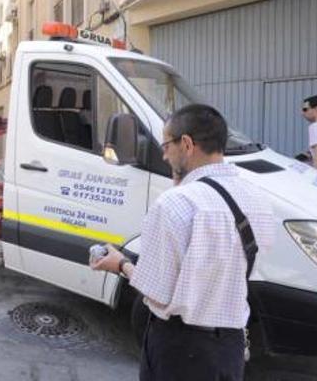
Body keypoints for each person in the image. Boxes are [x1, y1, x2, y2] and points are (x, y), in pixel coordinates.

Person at [93, 104, 275, 381]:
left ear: (187, 144)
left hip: (181, 350)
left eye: (166, 145)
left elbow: (157, 294)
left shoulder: (175, 204)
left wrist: (122, 265)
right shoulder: (256, 198)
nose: (164, 155)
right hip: (231, 346)